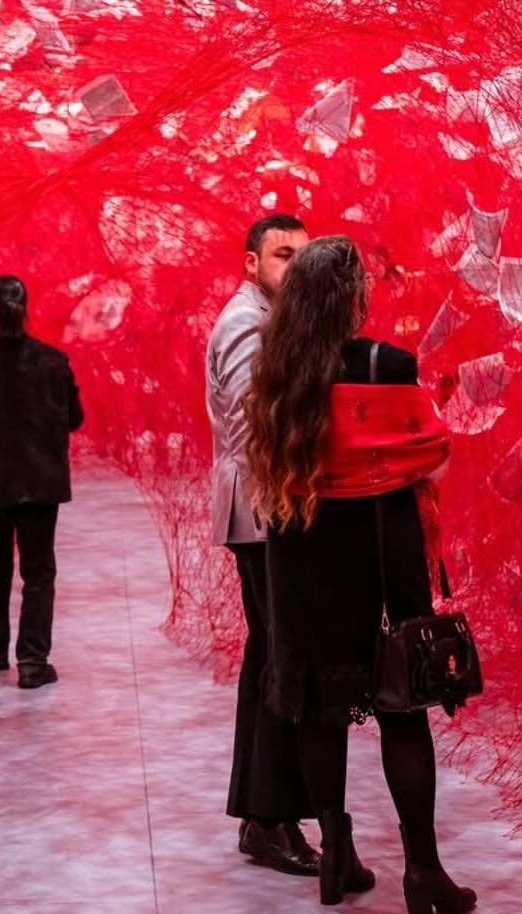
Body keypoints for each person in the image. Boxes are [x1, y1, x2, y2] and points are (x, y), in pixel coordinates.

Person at [243, 236, 476, 914]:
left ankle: (336, 853)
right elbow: (432, 455)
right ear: (352, 300)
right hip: (382, 563)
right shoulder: (388, 364)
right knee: (399, 709)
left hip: (305, 561)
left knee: (333, 709)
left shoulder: (277, 373)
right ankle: (422, 868)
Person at [206, 214, 319, 876]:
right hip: (264, 513)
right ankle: (269, 817)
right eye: (283, 255)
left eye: (304, 257)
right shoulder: (249, 323)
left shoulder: (269, 318)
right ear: (251, 264)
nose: (296, 268)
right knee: (279, 658)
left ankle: (265, 812)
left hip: (264, 510)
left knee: (272, 655)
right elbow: (256, 432)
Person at [0, 275, 83, 690]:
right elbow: (75, 418)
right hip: (41, 482)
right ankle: (32, 660)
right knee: (38, 573)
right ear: (26, 308)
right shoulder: (54, 361)